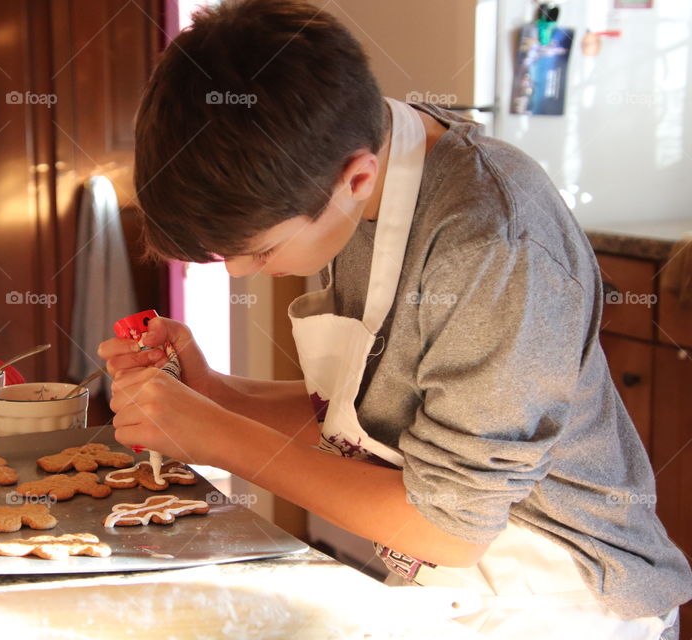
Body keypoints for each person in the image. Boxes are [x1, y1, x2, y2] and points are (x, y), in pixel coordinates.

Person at [97, 1, 691, 637]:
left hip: (558, 592)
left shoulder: (491, 244)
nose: (241, 273)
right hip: (448, 585)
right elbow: (368, 419)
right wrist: (212, 393)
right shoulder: (353, 184)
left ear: (355, 179)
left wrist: (216, 435)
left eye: (261, 250)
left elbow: (448, 525)